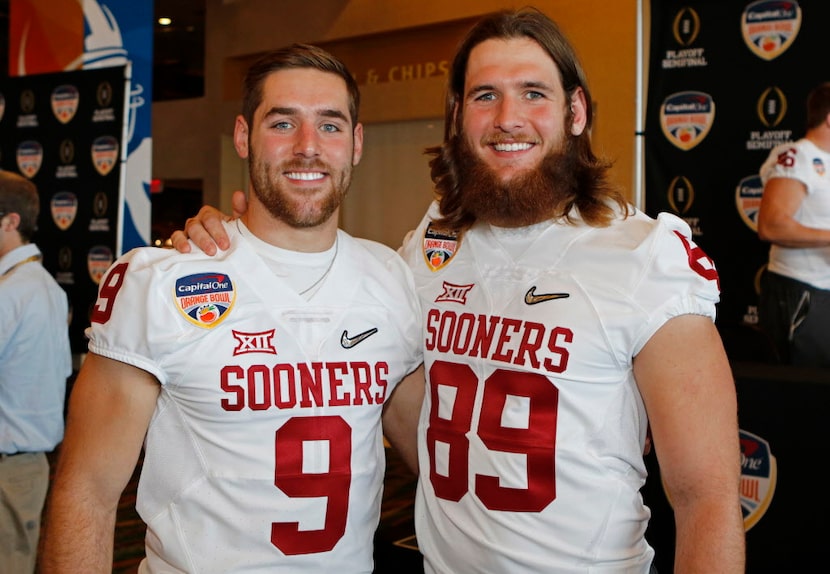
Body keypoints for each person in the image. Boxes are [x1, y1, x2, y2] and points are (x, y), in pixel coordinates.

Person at [173, 8, 746, 573]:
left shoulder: (644, 255)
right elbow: (361, 347)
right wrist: (232, 243)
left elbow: (708, 500)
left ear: (576, 111)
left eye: (533, 93)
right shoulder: (430, 245)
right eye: (484, 96)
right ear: (457, 115)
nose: (508, 118)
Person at [38, 44, 424, 573]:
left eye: (330, 126)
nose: (308, 147)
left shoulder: (392, 279)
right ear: (244, 136)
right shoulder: (163, 282)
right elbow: (88, 490)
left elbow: (439, 456)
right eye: (283, 123)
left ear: (356, 144)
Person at [0, 171, 71, 574]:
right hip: (25, 464)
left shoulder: (12, 292)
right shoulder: (41, 285)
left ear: (10, 222)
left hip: (10, 466)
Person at [757, 81, 830, 369]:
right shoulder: (797, 156)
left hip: (823, 292)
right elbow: (772, 226)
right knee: (805, 394)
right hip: (800, 292)